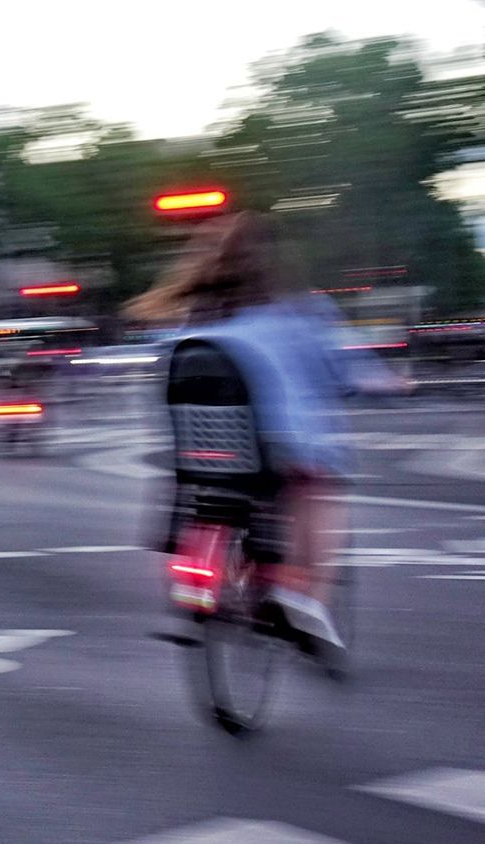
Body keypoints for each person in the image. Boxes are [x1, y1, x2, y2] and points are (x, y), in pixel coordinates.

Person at [129, 211, 404, 650]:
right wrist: (390, 384)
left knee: (209, 496)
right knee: (317, 488)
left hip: (207, 455)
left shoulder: (191, 325)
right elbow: (349, 374)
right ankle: (302, 595)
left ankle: (199, 587)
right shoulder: (302, 313)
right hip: (279, 453)